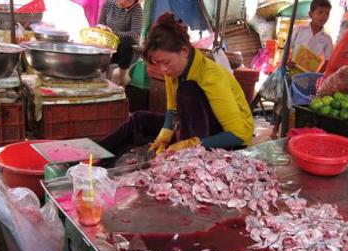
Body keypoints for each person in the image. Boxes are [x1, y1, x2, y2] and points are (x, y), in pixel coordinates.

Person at [99, 13, 254, 161]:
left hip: (226, 140)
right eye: (158, 63)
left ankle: (186, 162)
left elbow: (239, 135)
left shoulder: (212, 76)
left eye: (165, 62)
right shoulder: (173, 70)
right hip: (190, 130)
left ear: (184, 51)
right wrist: (165, 132)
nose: (163, 70)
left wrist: (191, 145)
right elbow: (172, 110)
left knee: (188, 91)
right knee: (139, 120)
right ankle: (95, 156)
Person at [271, 0, 333, 139]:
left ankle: (294, 132)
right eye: (320, 12)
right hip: (292, 70)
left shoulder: (327, 38)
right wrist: (287, 61)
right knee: (283, 100)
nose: (324, 16)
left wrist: (317, 75)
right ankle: (275, 129)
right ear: (311, 14)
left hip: (308, 77)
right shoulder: (298, 29)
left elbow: (328, 61)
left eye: (327, 13)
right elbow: (287, 47)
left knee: (299, 104)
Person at [97, 0, 143, 85]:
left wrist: (113, 33)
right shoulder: (108, 3)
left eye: (129, 1)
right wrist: (103, 29)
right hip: (109, 43)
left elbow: (135, 34)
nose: (124, 2)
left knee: (128, 41)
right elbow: (100, 24)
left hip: (125, 48)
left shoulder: (136, 9)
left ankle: (122, 76)